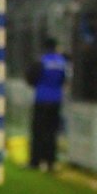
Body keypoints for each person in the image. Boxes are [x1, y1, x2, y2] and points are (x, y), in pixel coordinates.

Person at [27, 37, 67, 172]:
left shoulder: (42, 61)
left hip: (42, 99)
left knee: (38, 131)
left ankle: (35, 161)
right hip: (56, 100)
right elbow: (63, 80)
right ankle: (50, 163)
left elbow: (31, 79)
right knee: (51, 132)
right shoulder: (61, 62)